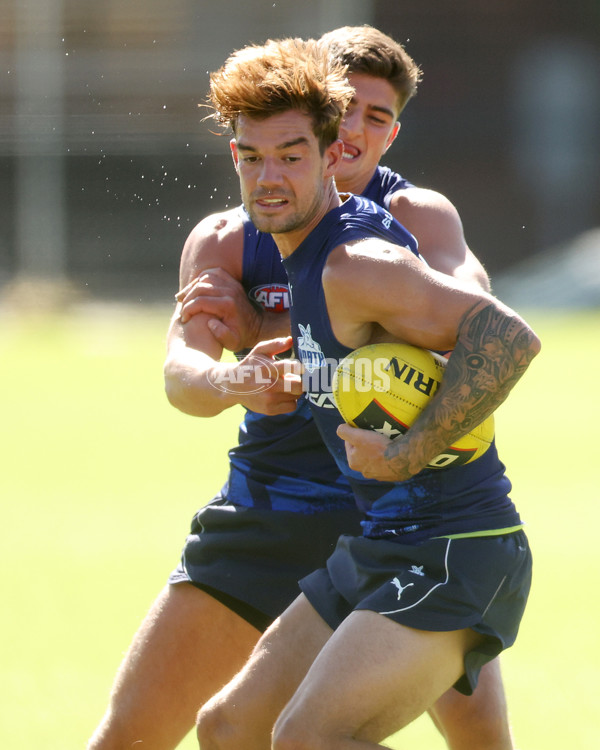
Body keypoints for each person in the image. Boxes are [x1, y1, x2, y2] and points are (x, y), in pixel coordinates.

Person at [87, 28, 517, 750]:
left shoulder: (400, 231)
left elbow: (476, 332)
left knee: (468, 738)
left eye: (376, 118)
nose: (354, 130)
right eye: (346, 107)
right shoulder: (232, 233)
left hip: (398, 510)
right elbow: (182, 375)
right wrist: (236, 376)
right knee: (145, 736)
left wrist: (314, 333)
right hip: (274, 504)